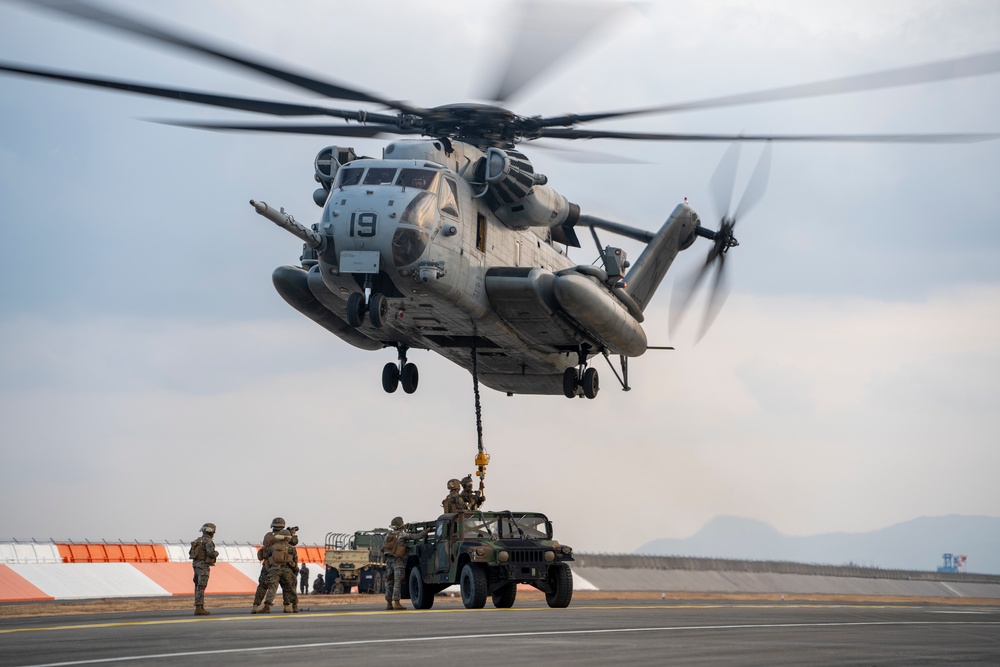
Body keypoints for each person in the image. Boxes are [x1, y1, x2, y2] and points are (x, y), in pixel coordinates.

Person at [252, 517, 299, 613]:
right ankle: (289, 606)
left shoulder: (268, 536)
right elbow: (294, 542)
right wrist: (291, 533)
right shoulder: (285, 538)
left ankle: (256, 606)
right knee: (288, 586)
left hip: (268, 564)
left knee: (263, 585)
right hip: (284, 565)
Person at [382, 516, 429, 610]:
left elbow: (384, 549)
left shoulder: (388, 536)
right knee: (397, 582)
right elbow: (417, 537)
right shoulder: (402, 535)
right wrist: (426, 531)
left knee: (389, 582)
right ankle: (397, 603)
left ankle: (389, 603)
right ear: (400, 525)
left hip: (389, 562)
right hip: (397, 562)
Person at [189, 522, 218, 616]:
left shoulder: (197, 540)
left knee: (198, 586)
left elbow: (191, 553)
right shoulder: (208, 541)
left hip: (195, 565)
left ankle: (200, 606)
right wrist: (216, 553)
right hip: (203, 566)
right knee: (201, 586)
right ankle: (198, 608)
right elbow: (211, 553)